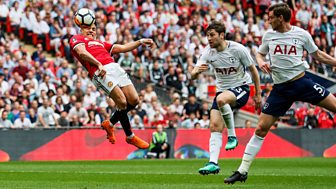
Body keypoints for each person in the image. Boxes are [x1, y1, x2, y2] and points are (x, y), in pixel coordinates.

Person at [224, 3, 336, 184]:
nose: (268, 21)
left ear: (281, 18)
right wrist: (260, 61)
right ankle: (242, 171)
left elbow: (318, 55)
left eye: (271, 17)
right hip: (281, 90)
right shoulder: (269, 36)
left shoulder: (302, 34)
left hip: (302, 83)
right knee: (261, 128)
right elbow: (259, 54)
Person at [69, 12, 154, 149]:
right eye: (88, 28)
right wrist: (97, 64)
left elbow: (122, 48)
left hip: (115, 67)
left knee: (134, 100)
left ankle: (110, 123)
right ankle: (130, 136)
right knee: (122, 101)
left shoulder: (101, 43)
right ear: (81, 29)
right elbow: (82, 53)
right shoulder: (77, 39)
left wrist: (140, 42)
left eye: (94, 29)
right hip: (100, 71)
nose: (91, 30)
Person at [190, 21, 261, 175]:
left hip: (241, 88)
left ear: (222, 35)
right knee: (214, 125)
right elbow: (192, 74)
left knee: (221, 100)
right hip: (222, 91)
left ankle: (232, 136)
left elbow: (253, 71)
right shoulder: (208, 52)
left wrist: (258, 94)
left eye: (212, 35)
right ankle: (213, 163)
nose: (208, 39)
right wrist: (196, 72)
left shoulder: (238, 49)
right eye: (207, 35)